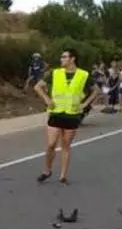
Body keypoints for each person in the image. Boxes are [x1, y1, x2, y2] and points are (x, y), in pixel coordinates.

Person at [33, 48, 100, 184]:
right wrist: (47, 99)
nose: (61, 59)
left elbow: (96, 90)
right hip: (56, 112)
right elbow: (37, 87)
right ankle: (47, 170)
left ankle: (63, 175)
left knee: (65, 146)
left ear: (72, 59)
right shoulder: (55, 73)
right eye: (61, 57)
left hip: (72, 115)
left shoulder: (83, 75)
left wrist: (84, 104)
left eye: (64, 57)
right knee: (51, 144)